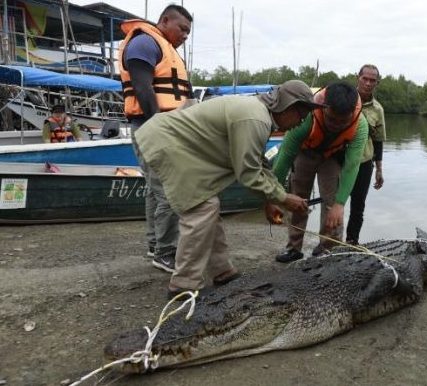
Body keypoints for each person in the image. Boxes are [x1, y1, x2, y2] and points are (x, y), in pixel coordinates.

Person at [134, 80, 317, 299]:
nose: (300, 123)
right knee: (202, 209)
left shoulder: (258, 114)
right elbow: (248, 173)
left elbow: (258, 163)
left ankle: (222, 271)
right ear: (289, 107)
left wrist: (271, 200)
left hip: (170, 143)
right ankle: (183, 285)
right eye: (302, 115)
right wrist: (284, 198)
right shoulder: (255, 118)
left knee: (207, 207)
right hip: (165, 144)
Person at [117, 5, 193, 271]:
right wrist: (158, 124)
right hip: (152, 127)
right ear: (165, 20)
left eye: (188, 32)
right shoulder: (144, 43)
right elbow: (142, 86)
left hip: (169, 129)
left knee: (154, 190)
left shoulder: (168, 51)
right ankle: (166, 252)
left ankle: (155, 246)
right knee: (169, 192)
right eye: (182, 29)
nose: (185, 36)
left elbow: (186, 97)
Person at [272, 82, 368, 263]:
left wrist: (340, 204)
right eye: (331, 119)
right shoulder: (307, 117)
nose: (336, 125)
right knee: (297, 198)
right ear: (323, 108)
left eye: (343, 121)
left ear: (352, 114)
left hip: (332, 156)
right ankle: (294, 248)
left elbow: (352, 166)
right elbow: (284, 157)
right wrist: (273, 196)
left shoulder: (360, 125)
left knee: (332, 203)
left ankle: (329, 248)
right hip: (305, 152)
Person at [345, 64, 386, 245]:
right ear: (358, 78)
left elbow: (378, 140)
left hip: (364, 163)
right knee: (331, 202)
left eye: (373, 80)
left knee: (358, 207)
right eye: (365, 79)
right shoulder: (344, 99)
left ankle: (352, 243)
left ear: (377, 83)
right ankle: (327, 243)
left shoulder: (378, 109)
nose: (368, 83)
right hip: (340, 160)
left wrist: (379, 169)